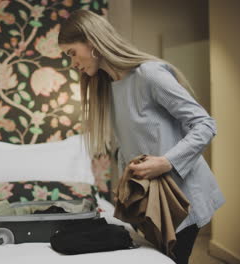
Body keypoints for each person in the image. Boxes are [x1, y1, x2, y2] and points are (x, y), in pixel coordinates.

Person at [57, 9, 225, 264]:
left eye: (71, 53)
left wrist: (166, 162)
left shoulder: (149, 74)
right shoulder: (109, 86)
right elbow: (131, 147)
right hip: (153, 203)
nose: (72, 62)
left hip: (183, 199)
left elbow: (205, 124)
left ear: (91, 42)